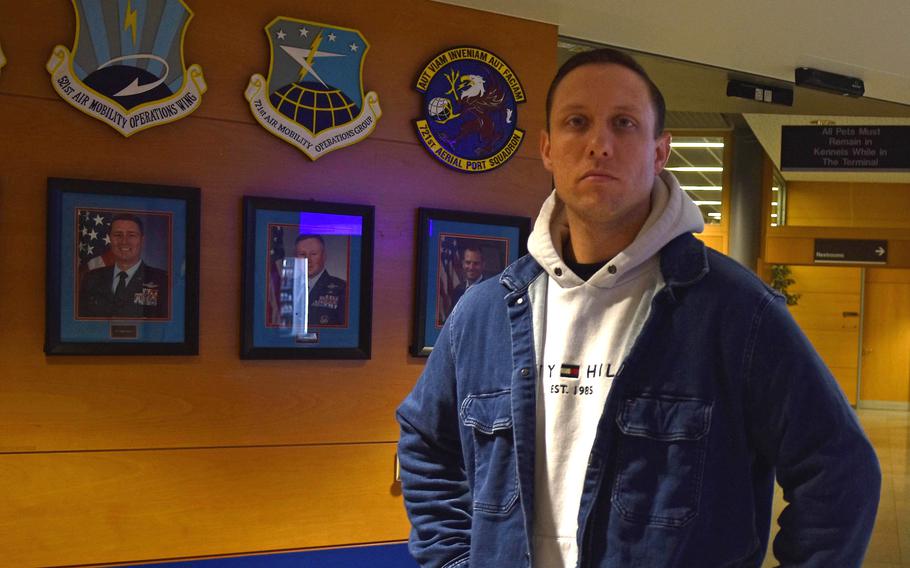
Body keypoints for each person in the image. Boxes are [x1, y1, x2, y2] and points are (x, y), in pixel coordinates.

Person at [396, 48, 880, 567]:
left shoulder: (738, 313)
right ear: (547, 149)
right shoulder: (484, 314)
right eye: (576, 122)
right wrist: (452, 561)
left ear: (659, 152)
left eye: (623, 124)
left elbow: (841, 471)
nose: (599, 145)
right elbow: (427, 443)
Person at [78, 213, 169, 319]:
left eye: (131, 235)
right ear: (110, 239)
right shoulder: (91, 278)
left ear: (142, 240)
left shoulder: (163, 281)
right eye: (118, 235)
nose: (124, 241)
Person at [292, 234, 347, 326]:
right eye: (302, 254)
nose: (308, 260)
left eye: (313, 254)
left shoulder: (343, 289)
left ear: (324, 256)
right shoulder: (285, 288)